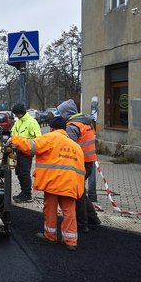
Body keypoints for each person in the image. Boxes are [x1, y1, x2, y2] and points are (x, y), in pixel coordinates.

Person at [9, 116, 85, 251]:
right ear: (65, 129)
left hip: (53, 183)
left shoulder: (50, 138)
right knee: (69, 212)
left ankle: (50, 236)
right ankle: (71, 241)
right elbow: (81, 170)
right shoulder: (75, 146)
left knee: (50, 209)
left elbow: (30, 146)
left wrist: (14, 139)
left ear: (52, 128)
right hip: (70, 184)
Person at [57, 99, 102, 232]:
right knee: (80, 191)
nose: (60, 115)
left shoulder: (72, 126)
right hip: (88, 161)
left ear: (66, 113)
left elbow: (69, 147)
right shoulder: (86, 122)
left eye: (61, 113)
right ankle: (93, 219)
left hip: (79, 163)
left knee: (77, 194)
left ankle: (82, 225)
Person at [10, 103, 42, 202]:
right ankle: (24, 192)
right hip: (18, 151)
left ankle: (27, 194)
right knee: (19, 173)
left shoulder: (32, 122)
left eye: (16, 113)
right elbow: (13, 133)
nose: (15, 116)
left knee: (24, 173)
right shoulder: (18, 122)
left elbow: (38, 138)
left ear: (20, 113)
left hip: (26, 152)